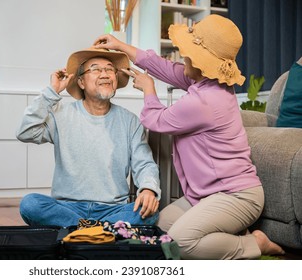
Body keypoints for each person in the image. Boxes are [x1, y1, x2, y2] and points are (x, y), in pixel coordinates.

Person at [93, 14, 285, 259]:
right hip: (204, 196)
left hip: (237, 196)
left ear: (202, 62)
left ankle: (254, 244)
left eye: (188, 54)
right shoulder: (209, 81)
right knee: (159, 231)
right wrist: (120, 45)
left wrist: (149, 89)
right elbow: (165, 68)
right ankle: (230, 233)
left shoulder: (205, 100)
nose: (182, 56)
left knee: (181, 243)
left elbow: (156, 120)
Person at [16, 47, 161, 228]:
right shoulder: (61, 115)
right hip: (68, 207)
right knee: (30, 204)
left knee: (149, 214)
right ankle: (102, 230)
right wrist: (51, 92)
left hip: (113, 209)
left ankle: (81, 230)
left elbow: (144, 163)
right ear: (81, 82)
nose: (105, 74)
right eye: (95, 69)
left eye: (110, 69)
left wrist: (148, 189)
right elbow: (25, 132)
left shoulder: (130, 121)